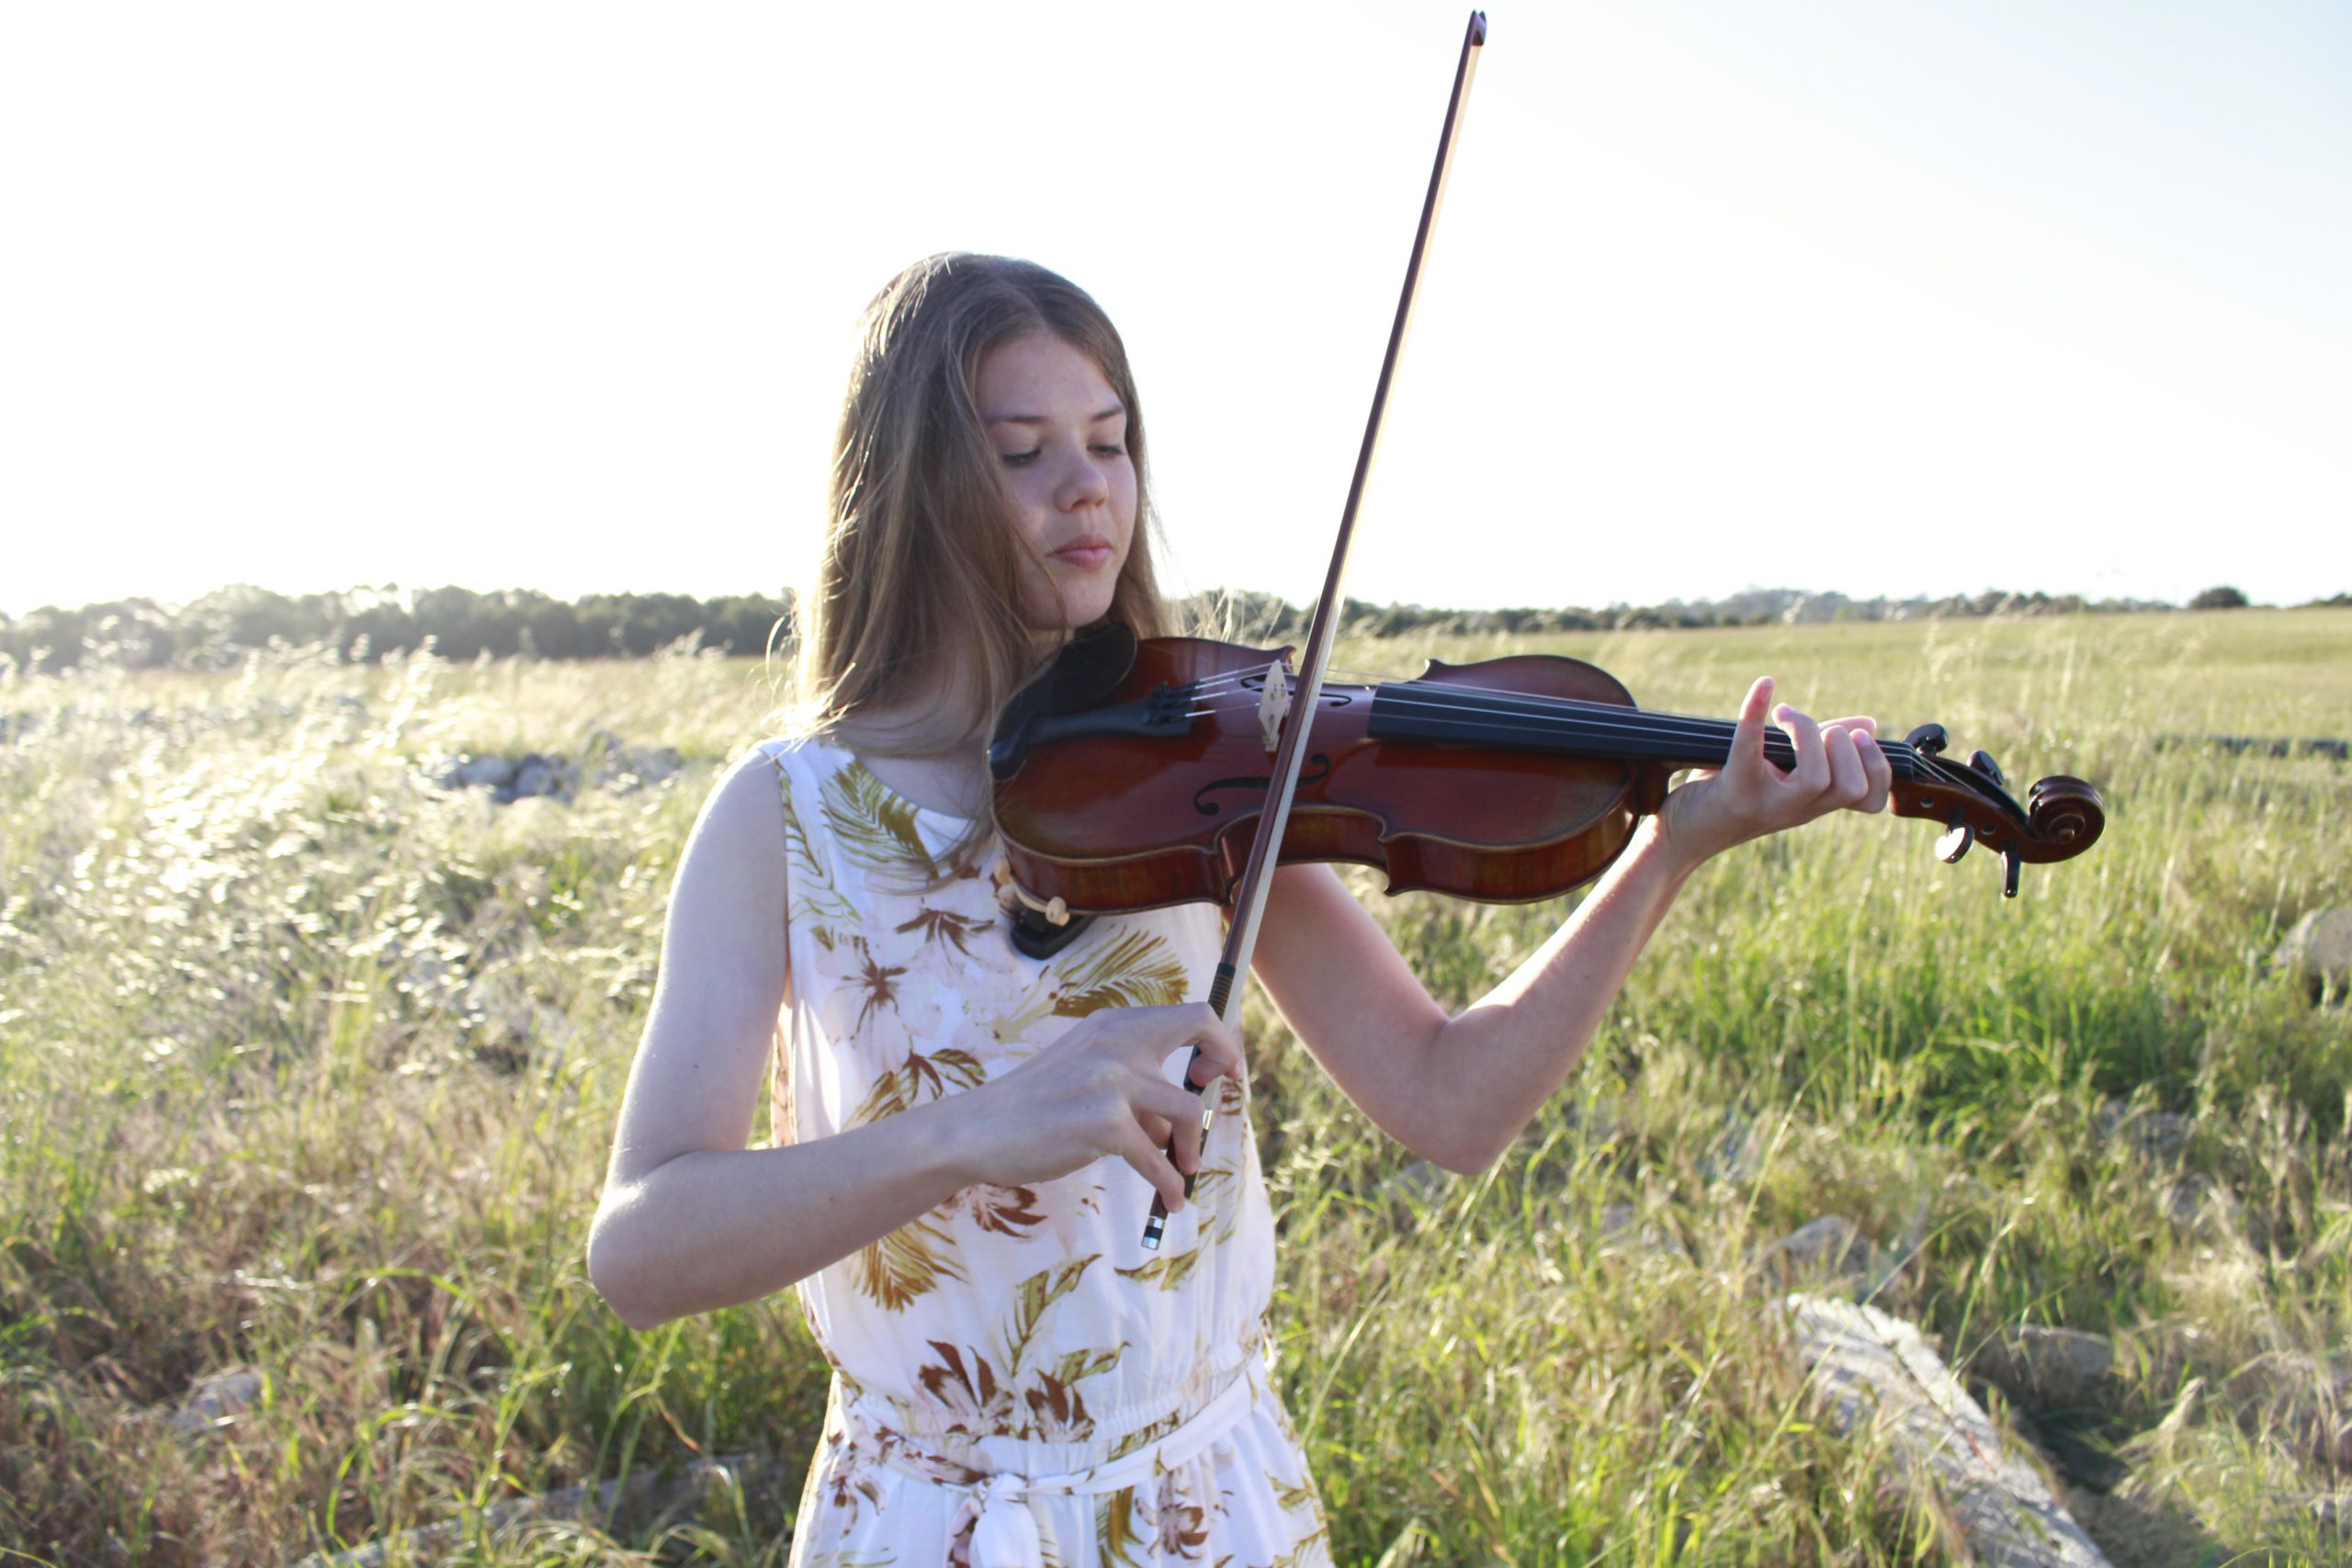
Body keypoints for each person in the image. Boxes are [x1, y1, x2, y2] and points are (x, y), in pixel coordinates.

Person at [587, 252, 1894, 1568]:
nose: (1088, 483)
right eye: (1025, 452)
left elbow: (1451, 1101)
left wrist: (1668, 850)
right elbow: (642, 1250)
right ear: (917, 488)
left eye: (1110, 441)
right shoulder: (785, 816)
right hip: (935, 1518)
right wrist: (975, 1131)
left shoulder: (1202, 772)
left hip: (1200, 1507)